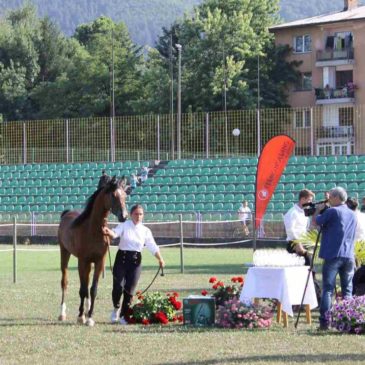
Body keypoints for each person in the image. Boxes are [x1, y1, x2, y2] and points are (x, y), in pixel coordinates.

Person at [102, 204, 165, 324]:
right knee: (118, 287)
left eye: (141, 214)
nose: (138, 216)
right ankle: (116, 308)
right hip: (122, 259)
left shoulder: (146, 231)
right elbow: (115, 233)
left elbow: (152, 246)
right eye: (136, 214)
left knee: (129, 290)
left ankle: (123, 315)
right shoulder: (124, 225)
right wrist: (108, 232)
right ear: (131, 215)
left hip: (136, 262)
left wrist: (160, 259)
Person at [313, 187, 357, 330]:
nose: (329, 199)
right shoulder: (352, 213)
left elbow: (316, 221)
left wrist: (318, 210)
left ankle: (325, 322)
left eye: (331, 197)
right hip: (349, 255)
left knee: (328, 289)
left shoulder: (333, 211)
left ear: (337, 198)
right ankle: (349, 320)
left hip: (333, 255)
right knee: (347, 289)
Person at [283, 189, 315, 264]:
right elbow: (290, 230)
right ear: (303, 199)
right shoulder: (292, 213)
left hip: (304, 242)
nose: (311, 202)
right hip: (294, 244)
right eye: (309, 200)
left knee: (309, 267)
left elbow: (305, 229)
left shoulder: (305, 213)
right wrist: (298, 243)